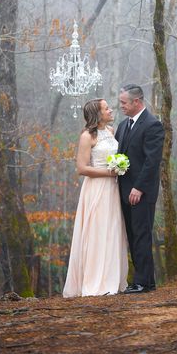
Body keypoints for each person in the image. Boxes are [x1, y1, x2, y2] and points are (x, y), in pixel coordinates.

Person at [63, 98, 128, 297]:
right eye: (106, 108)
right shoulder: (87, 136)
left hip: (113, 189)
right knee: (97, 232)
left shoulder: (111, 132)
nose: (110, 110)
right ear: (98, 114)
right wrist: (110, 172)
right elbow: (82, 168)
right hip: (97, 188)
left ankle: (112, 278)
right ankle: (94, 281)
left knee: (112, 230)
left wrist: (119, 167)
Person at [115, 84, 164, 293]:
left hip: (141, 193)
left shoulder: (152, 125)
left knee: (142, 235)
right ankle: (142, 281)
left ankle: (143, 282)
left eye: (124, 103)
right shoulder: (123, 125)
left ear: (137, 102)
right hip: (124, 192)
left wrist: (139, 188)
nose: (121, 107)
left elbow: (152, 162)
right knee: (133, 236)